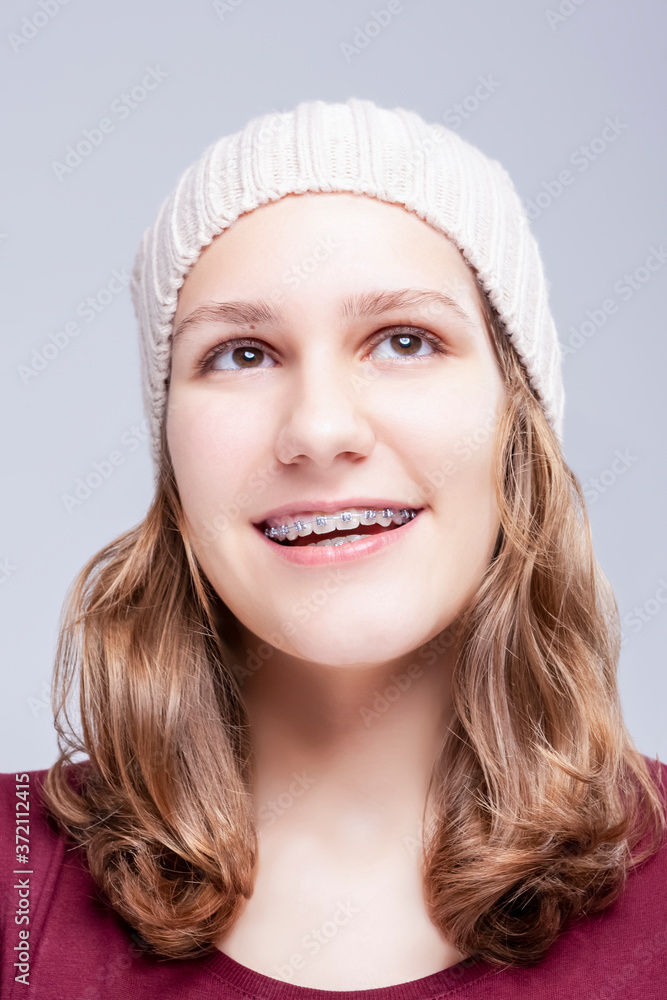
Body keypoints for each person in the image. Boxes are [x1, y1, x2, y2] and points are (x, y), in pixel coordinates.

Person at [1, 97, 665, 999]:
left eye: (404, 340)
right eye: (241, 353)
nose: (318, 429)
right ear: (172, 460)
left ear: (518, 424)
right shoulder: (16, 895)